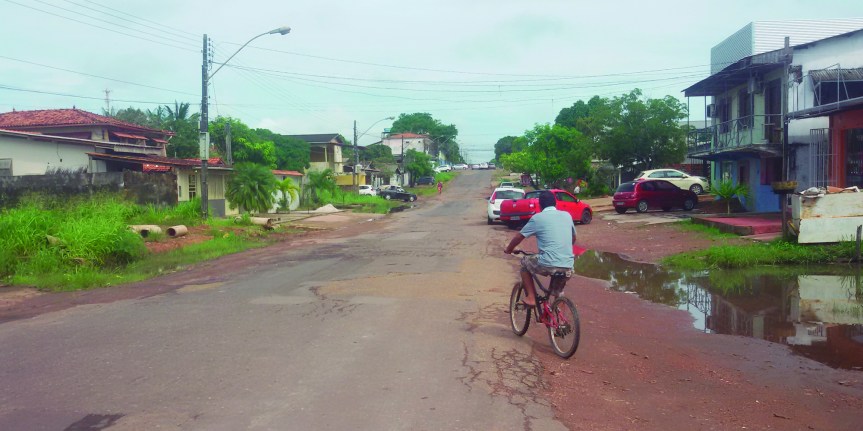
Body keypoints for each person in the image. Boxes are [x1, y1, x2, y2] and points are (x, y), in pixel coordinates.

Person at [503, 191, 576, 307]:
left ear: (540, 205)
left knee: (525, 263)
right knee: (558, 292)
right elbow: (573, 238)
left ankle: (531, 298)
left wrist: (509, 249)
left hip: (548, 262)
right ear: (555, 203)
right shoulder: (567, 215)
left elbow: (519, 237)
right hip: (568, 265)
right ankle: (561, 321)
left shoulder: (537, 218)